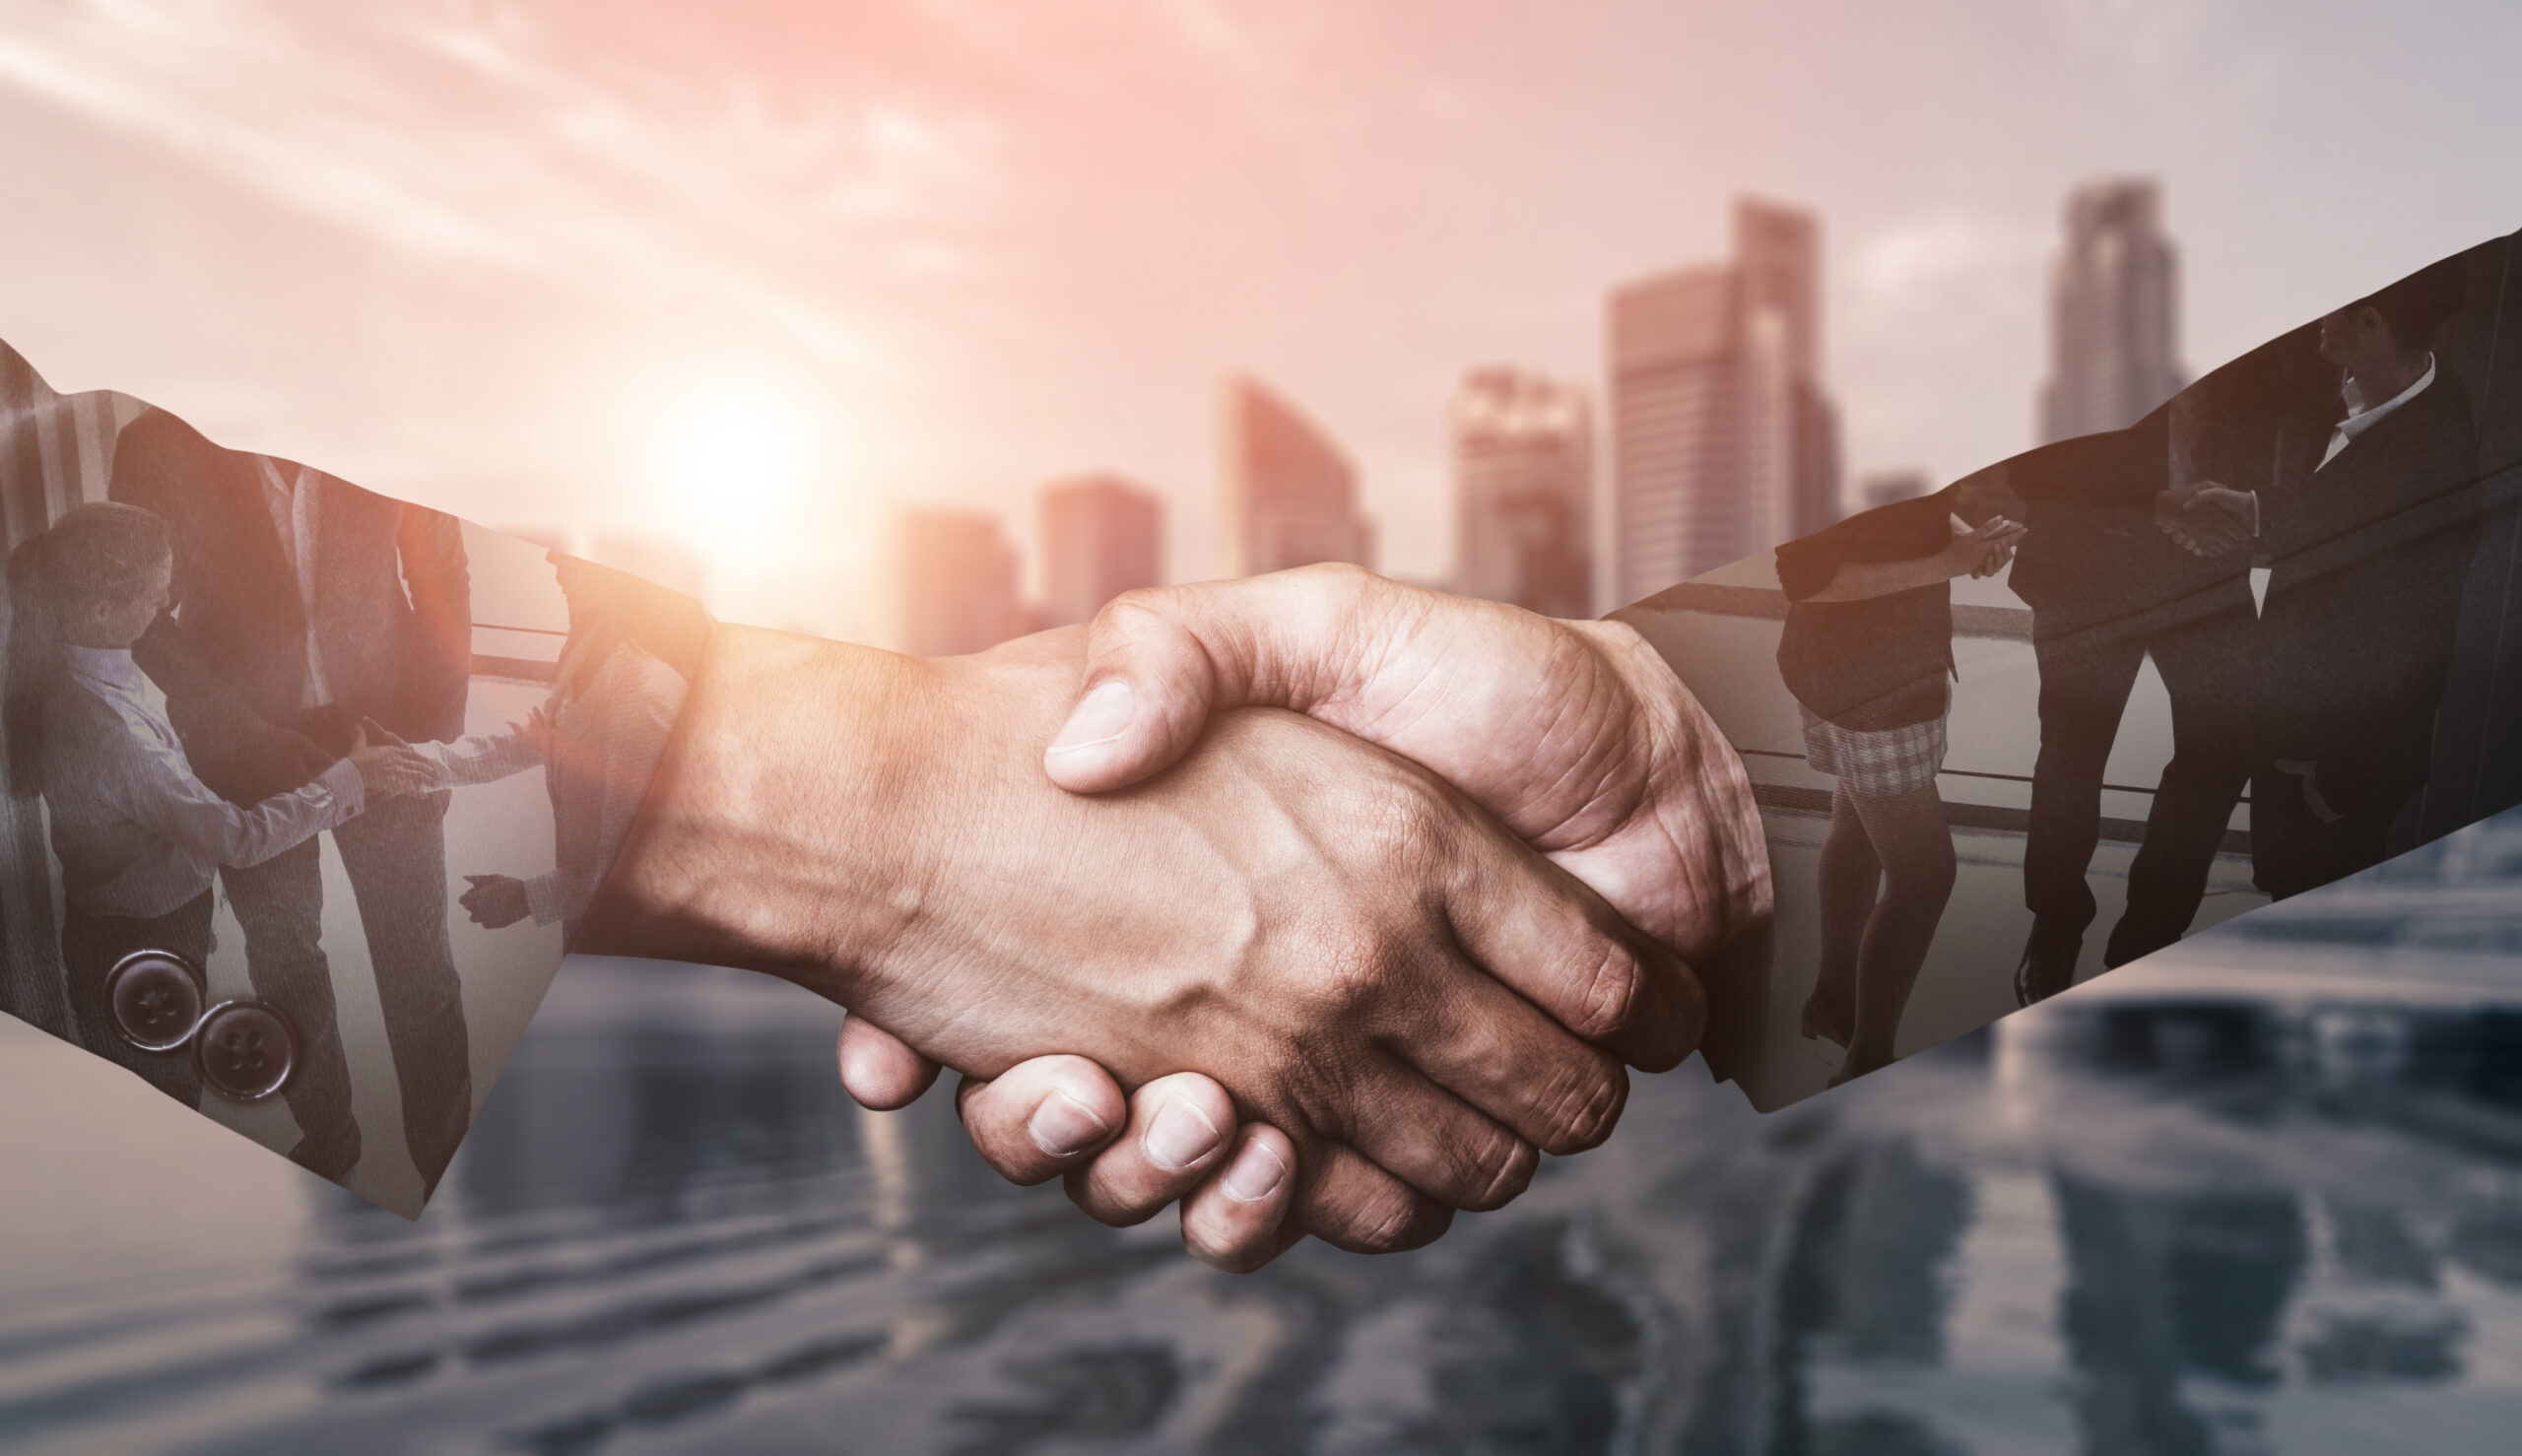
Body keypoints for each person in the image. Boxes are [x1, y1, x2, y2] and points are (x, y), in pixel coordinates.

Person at [108, 408, 476, 1186]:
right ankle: (331, 1144)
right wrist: (239, 730)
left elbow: (441, 574)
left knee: (419, 962)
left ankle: (446, 1163)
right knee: (284, 959)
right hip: (242, 747)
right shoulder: (158, 444)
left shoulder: (389, 419)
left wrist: (434, 739)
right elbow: (141, 615)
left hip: (388, 732)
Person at [3, 503, 438, 1107]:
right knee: (165, 1103)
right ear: (103, 612)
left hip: (135, 929)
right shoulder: (112, 735)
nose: (166, 609)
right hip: (139, 941)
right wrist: (350, 780)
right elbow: (237, 838)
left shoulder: (81, 679)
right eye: (155, 598)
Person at [2165, 259, 2481, 898]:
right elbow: (2337, 513)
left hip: (2337, 760)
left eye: (2330, 305)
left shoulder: (2437, 454)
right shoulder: (2359, 387)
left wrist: (2336, 782)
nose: (2314, 318)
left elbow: (2413, 631)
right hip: (2296, 736)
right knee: (2278, 880)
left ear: (2370, 322)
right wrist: (2250, 509)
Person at [1772, 488, 2023, 1084]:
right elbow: (1806, 578)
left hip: (1874, 667)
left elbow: (1908, 511)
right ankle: (1868, 1061)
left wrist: (1964, 536)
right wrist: (1949, 562)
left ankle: (1833, 1003)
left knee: (1856, 827)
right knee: (1925, 877)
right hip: (1871, 682)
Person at [437, 553, 709, 945]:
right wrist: (403, 766)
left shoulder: (641, 697)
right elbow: (527, 743)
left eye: (569, 551)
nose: (551, 559)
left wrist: (524, 898)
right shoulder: (590, 665)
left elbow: (626, 879)